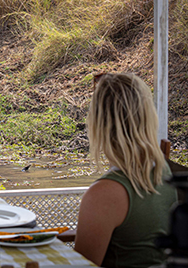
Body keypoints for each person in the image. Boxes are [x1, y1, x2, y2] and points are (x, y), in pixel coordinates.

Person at [74, 73, 177, 268]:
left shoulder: (104, 193)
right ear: (148, 116)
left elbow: (81, 265)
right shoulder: (167, 171)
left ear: (98, 123)